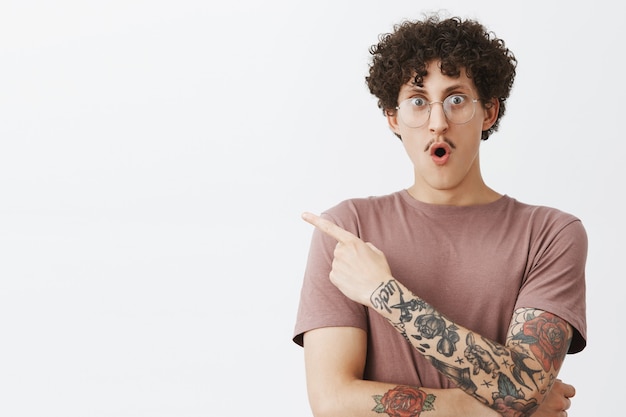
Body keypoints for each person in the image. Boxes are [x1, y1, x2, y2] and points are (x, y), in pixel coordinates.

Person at [292, 13, 587, 417]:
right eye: (418, 101)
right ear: (393, 117)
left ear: (489, 112)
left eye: (457, 100)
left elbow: (524, 386)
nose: (438, 123)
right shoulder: (348, 231)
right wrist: (474, 407)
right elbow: (332, 402)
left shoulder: (551, 233)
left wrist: (383, 292)